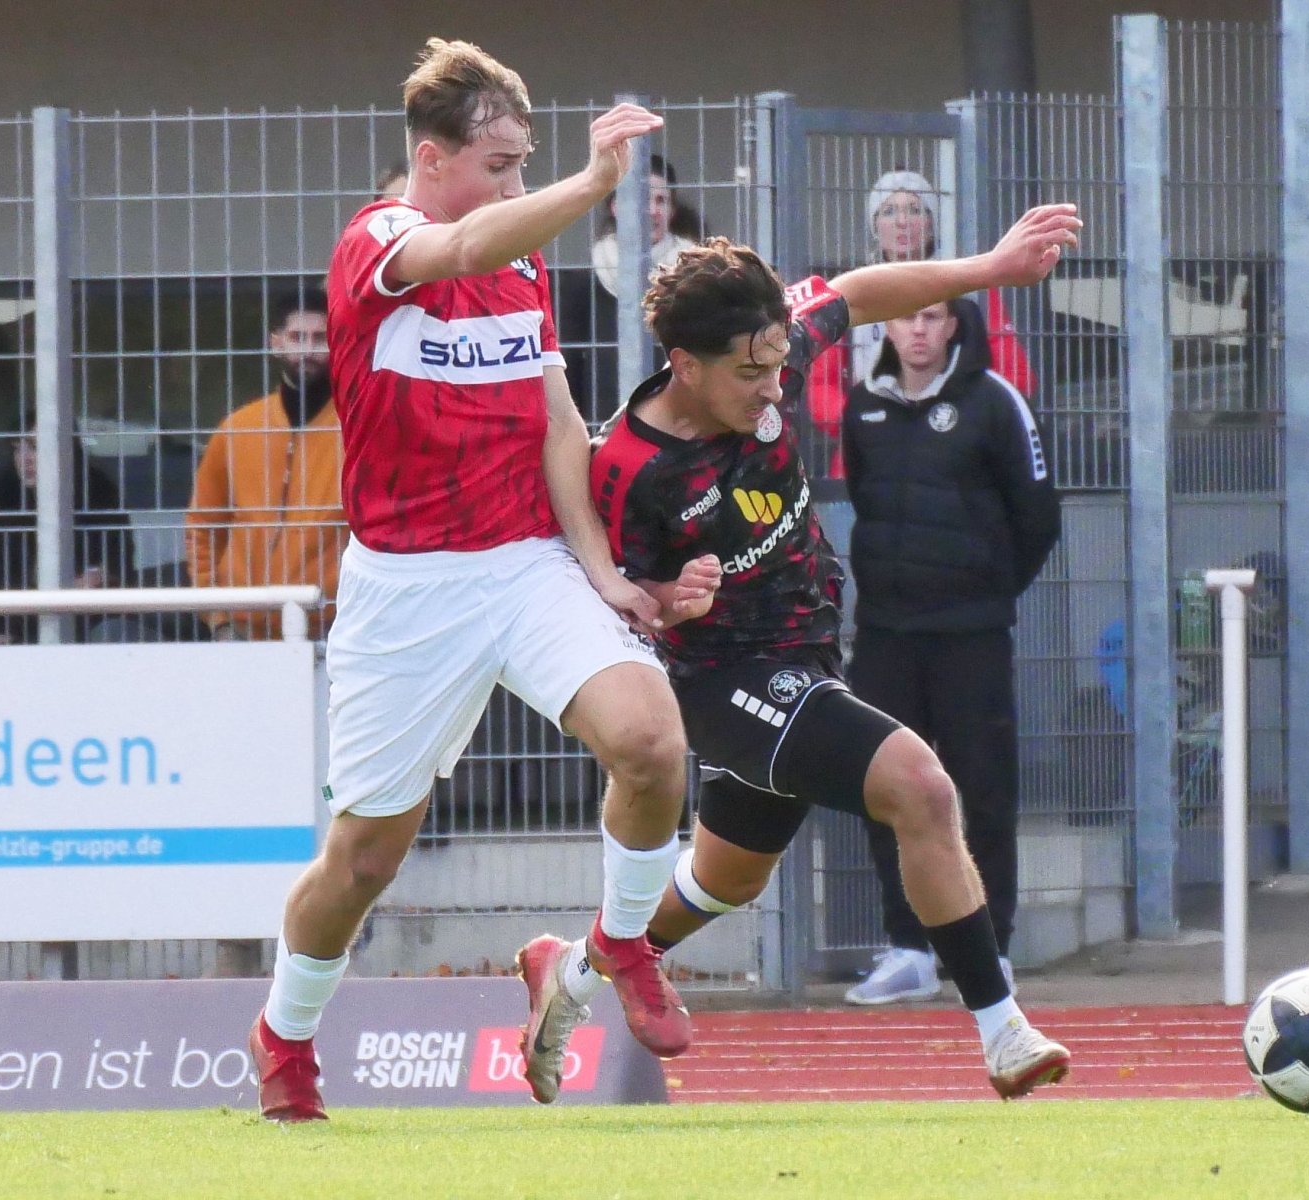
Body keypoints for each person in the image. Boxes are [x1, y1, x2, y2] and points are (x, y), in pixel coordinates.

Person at [516, 203, 1085, 1102]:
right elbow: (610, 597)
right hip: (724, 679)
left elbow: (857, 293)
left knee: (726, 880)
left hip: (810, 652)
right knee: (922, 787)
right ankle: (1003, 1031)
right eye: (750, 374)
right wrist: (664, 596)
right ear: (685, 365)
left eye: (778, 364)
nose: (771, 390)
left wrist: (992, 267)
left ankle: (571, 971)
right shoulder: (631, 467)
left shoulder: (770, 343)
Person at [247, 38, 687, 1124]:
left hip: (524, 562)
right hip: (407, 588)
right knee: (362, 862)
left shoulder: (522, 260)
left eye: (525, 162)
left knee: (650, 743)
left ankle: (620, 943)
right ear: (432, 159)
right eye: (498, 165)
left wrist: (603, 573)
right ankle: (285, 1037)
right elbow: (460, 243)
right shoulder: (378, 240)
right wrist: (590, 184)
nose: (514, 184)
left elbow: (557, 422)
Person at [836, 297, 1061, 1004]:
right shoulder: (862, 406)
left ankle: (990, 951)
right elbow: (867, 498)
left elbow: (1038, 516)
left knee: (982, 790)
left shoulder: (996, 403)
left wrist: (986, 589)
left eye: (932, 317)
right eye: (906, 317)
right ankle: (908, 950)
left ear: (954, 325)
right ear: (886, 326)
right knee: (888, 789)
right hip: (885, 635)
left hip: (971, 637)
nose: (919, 329)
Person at [804, 168, 1035, 476]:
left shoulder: (968, 287)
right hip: (869, 454)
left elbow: (1016, 376)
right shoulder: (851, 292)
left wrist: (965, 420)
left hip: (954, 450)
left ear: (932, 221)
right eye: (889, 211)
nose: (902, 222)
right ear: (874, 225)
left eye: (915, 210)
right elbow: (820, 385)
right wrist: (865, 420)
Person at [183, 283, 347, 641]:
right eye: (297, 337)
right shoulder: (237, 429)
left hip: (336, 626)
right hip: (244, 630)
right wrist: (219, 619)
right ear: (276, 343)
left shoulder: (358, 427)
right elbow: (203, 527)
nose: (307, 349)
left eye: (320, 338)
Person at [553, 155, 701, 422]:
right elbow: (569, 369)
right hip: (602, 422)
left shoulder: (697, 277)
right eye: (643, 198)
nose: (652, 210)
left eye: (661, 200)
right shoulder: (584, 283)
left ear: (672, 211)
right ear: (615, 207)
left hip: (680, 421)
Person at [0, 435, 131, 645]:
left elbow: (120, 566)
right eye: (17, 449)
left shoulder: (99, 493)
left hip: (83, 618)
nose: (25, 459)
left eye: (34, 447)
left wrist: (101, 574)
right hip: (14, 618)